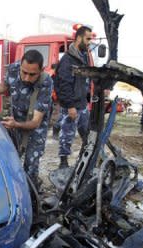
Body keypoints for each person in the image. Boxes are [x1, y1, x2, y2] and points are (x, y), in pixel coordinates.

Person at [0, 50, 53, 188]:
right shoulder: (14, 68)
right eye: (24, 72)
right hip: (15, 123)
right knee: (11, 159)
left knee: (30, 165)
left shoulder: (46, 82)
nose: (26, 78)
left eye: (32, 75)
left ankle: (31, 194)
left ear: (41, 70)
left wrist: (16, 124)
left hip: (34, 128)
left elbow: (36, 122)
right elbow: (6, 84)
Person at [55, 25, 93, 168]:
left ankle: (87, 159)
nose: (89, 42)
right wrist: (70, 106)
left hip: (82, 104)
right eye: (87, 38)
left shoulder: (83, 57)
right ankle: (63, 163)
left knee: (86, 133)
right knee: (67, 135)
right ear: (78, 38)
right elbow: (63, 85)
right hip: (71, 106)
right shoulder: (67, 60)